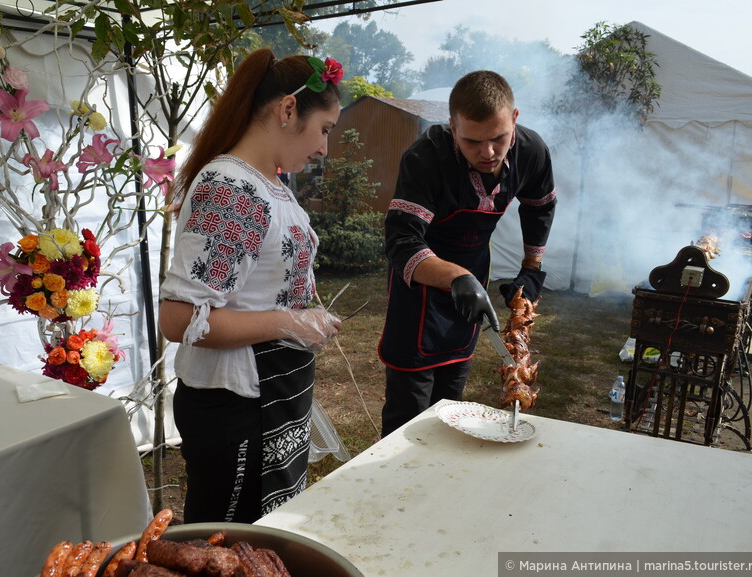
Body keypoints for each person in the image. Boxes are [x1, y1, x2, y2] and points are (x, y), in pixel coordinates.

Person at [158, 48, 344, 523]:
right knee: (230, 545)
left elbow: (263, 285)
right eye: (324, 129)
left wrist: (304, 315)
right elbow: (179, 319)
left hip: (271, 392)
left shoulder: (271, 185)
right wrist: (290, 322)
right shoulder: (232, 187)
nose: (325, 148)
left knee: (263, 541)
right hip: (235, 406)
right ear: (287, 110)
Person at [378, 70, 557, 437]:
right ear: (452, 127)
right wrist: (457, 278)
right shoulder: (426, 160)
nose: (488, 152)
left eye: (499, 138)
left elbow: (539, 206)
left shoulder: (532, 151)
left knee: (451, 406)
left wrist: (531, 267)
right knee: (408, 413)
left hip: (473, 278)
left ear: (515, 120)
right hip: (419, 292)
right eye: (472, 141)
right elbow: (402, 242)